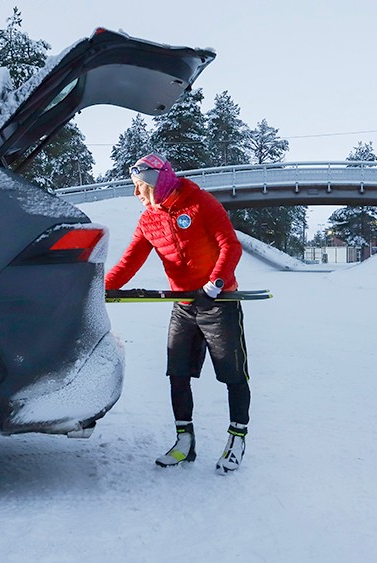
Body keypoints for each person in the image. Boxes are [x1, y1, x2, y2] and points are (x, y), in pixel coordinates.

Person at [105, 152, 251, 474]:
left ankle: (237, 438)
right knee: (178, 373)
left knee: (232, 373)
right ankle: (185, 441)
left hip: (218, 303)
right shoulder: (148, 220)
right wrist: (101, 287)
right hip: (183, 305)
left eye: (139, 186)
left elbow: (230, 244)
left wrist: (216, 282)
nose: (136, 194)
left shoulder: (201, 204)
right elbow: (129, 261)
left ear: (157, 183)